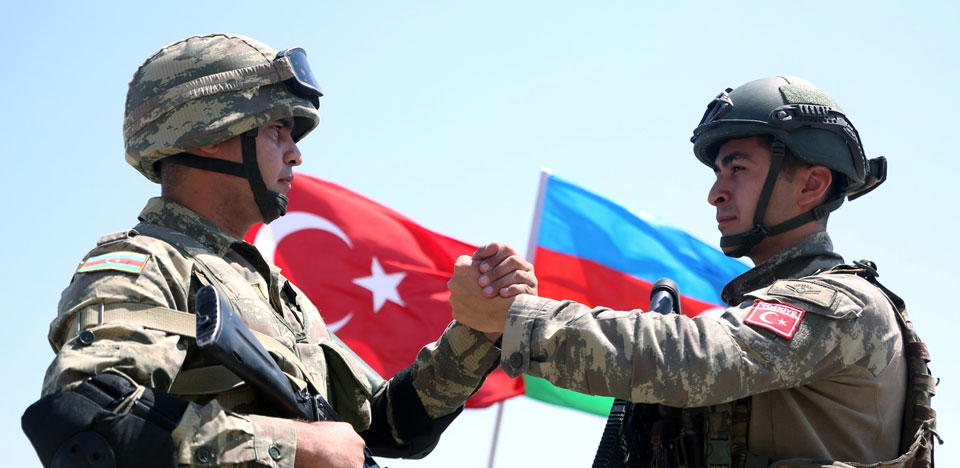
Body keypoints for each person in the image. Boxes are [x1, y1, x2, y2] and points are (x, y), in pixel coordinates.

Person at [26, 33, 533, 468]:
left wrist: (478, 331)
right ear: (210, 133)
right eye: (277, 129)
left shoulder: (274, 292)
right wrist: (291, 447)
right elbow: (82, 422)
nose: (296, 153)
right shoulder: (148, 264)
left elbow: (389, 426)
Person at [448, 76, 937, 466]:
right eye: (718, 172)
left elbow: (694, 358)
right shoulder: (770, 305)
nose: (715, 193)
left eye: (737, 169)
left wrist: (515, 320)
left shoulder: (842, 305)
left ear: (812, 185)